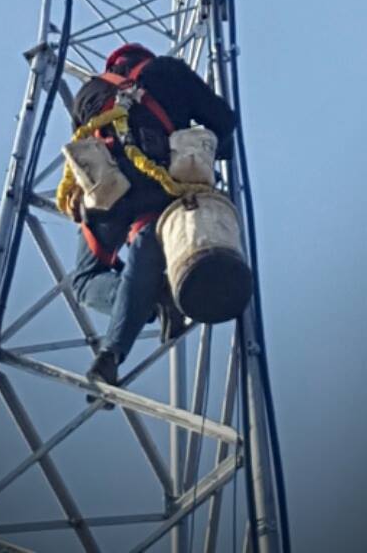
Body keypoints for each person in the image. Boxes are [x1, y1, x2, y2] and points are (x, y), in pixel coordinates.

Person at [62, 42, 237, 390]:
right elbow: (224, 122)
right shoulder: (168, 71)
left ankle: (148, 304)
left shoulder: (88, 92)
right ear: (145, 58)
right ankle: (124, 335)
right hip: (160, 188)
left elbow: (81, 154)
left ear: (113, 65)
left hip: (109, 197)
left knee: (84, 281)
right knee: (148, 243)